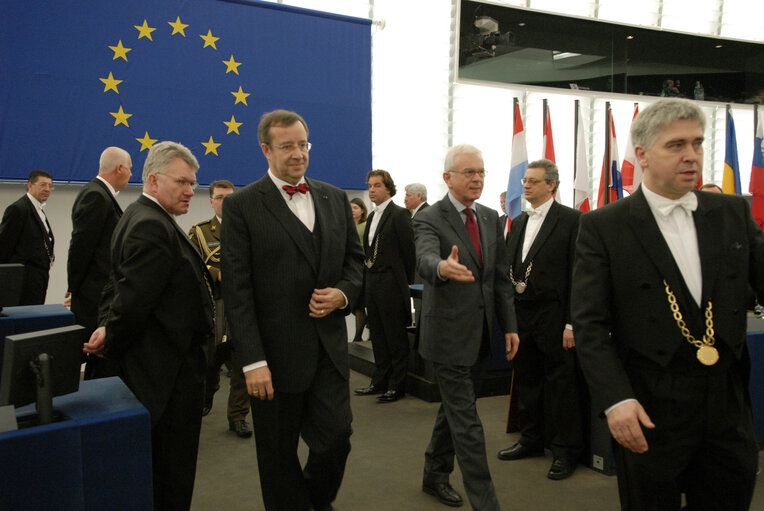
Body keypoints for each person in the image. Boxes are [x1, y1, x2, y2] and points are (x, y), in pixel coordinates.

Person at [572, 98, 764, 510]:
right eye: (676, 145)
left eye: (697, 143)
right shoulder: (604, 225)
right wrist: (616, 400)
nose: (691, 156)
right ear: (641, 154)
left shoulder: (732, 212)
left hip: (727, 404)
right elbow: (590, 325)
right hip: (649, 405)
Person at [221, 109, 364, 511]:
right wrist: (252, 362)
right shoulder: (242, 205)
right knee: (277, 455)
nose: (298, 153)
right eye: (287, 146)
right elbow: (238, 290)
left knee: (337, 438)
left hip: (329, 350)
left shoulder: (334, 198)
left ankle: (313, 502)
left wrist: (343, 294)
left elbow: (355, 265)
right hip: (273, 356)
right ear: (266, 150)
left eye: (303, 144)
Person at [83, 141, 215, 511]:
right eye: (183, 182)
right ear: (154, 180)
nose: (191, 190)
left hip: (160, 373)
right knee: (169, 478)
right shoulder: (151, 226)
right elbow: (134, 300)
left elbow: (119, 287)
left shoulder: (139, 216)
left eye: (193, 182)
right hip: (165, 379)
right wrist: (112, 333)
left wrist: (108, 327)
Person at [414, 144, 519, 510]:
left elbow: (500, 278)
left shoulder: (490, 218)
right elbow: (425, 256)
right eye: (469, 173)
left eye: (481, 172)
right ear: (448, 178)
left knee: (455, 409)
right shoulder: (429, 217)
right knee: (469, 424)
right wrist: (441, 268)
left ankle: (434, 474)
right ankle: (486, 503)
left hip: (482, 336)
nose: (477, 179)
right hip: (446, 338)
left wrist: (510, 327)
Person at [497, 159, 584, 481]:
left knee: (562, 385)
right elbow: (509, 270)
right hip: (523, 312)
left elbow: (580, 274)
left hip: (556, 315)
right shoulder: (518, 222)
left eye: (533, 181)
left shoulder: (573, 220)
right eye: (525, 181)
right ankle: (531, 440)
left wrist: (572, 323)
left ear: (552, 185)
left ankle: (565, 451)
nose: (526, 186)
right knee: (527, 380)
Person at [188, 179, 252, 438]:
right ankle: (205, 397)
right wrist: (216, 273)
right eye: (220, 197)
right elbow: (192, 265)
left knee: (243, 363)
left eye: (230, 197)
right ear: (211, 201)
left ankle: (238, 416)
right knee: (210, 362)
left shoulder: (250, 229)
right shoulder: (200, 231)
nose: (226, 202)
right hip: (215, 307)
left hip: (245, 306)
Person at [67, 147, 132, 379]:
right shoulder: (96, 195)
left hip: (97, 291)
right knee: (92, 353)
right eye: (130, 168)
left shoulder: (101, 195)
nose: (131, 174)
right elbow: (82, 246)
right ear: (120, 168)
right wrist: (74, 287)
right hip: (93, 294)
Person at [354, 170, 415, 403]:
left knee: (395, 336)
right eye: (369, 185)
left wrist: (403, 281)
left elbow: (409, 252)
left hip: (391, 282)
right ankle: (379, 381)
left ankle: (397, 385)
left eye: (377, 185)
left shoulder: (399, 214)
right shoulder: (371, 217)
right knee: (377, 334)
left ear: (388, 188)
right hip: (372, 280)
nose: (371, 190)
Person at [0, 170, 55, 305]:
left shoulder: (38, 210)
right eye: (42, 185)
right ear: (30, 186)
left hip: (38, 279)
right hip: (22, 282)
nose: (47, 189)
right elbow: (4, 247)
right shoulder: (19, 209)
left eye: (50, 186)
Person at [350, 197, 368, 343]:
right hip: (350, 267)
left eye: (355, 208)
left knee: (358, 304)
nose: (352, 211)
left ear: (362, 210)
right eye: (350, 208)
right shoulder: (348, 225)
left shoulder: (365, 226)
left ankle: (358, 336)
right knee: (353, 305)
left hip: (360, 268)